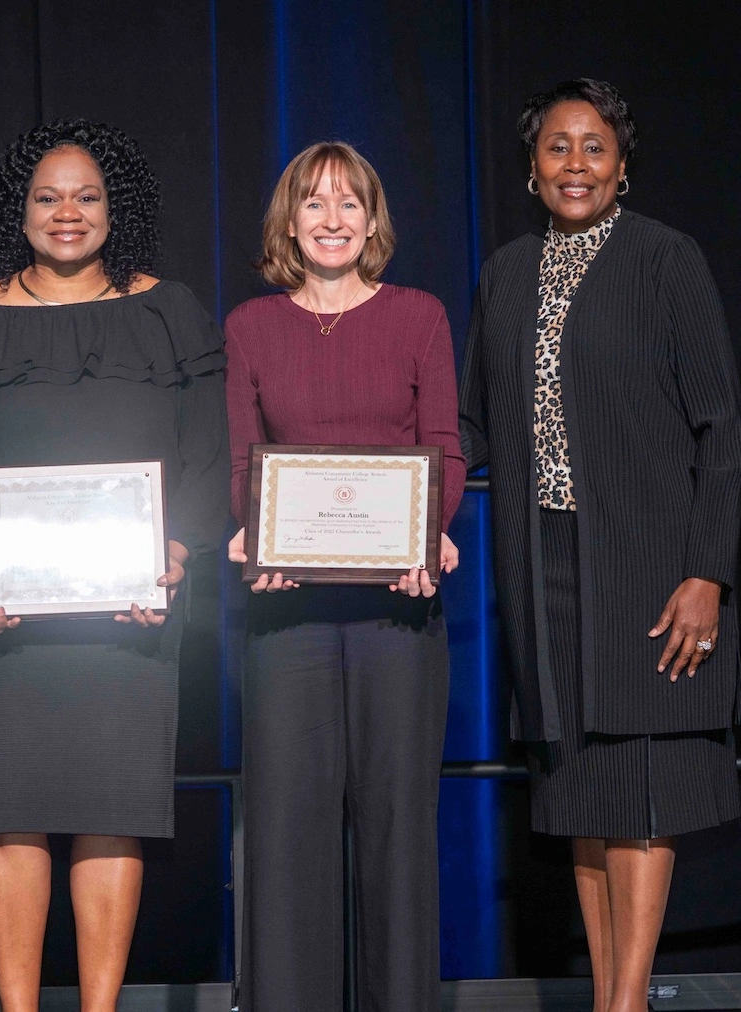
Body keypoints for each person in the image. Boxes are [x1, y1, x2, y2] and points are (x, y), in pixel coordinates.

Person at [0, 120, 228, 1012]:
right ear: (20, 212)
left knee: (113, 807)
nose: (67, 212)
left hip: (136, 608)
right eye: (47, 196)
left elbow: (208, 454)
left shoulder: (169, 310)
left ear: (113, 208)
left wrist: (174, 555)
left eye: (86, 195)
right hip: (10, 616)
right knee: (11, 811)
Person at [459, 78, 741, 1012]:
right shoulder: (505, 274)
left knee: (641, 778)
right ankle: (605, 999)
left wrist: (707, 572)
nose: (574, 165)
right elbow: (469, 430)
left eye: (594, 148)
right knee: (581, 788)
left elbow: (720, 427)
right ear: (531, 167)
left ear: (622, 166)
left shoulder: (667, 261)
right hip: (544, 565)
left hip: (651, 563)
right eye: (556, 148)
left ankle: (626, 1001)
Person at [223, 141, 463, 1011]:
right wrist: (257, 537)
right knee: (286, 838)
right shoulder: (251, 326)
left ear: (373, 220)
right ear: (290, 221)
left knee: (399, 836)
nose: (332, 220)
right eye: (314, 204)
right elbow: (243, 460)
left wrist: (425, 535)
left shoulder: (419, 315)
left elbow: (444, 448)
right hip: (286, 619)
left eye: (349, 204)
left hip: (397, 613)